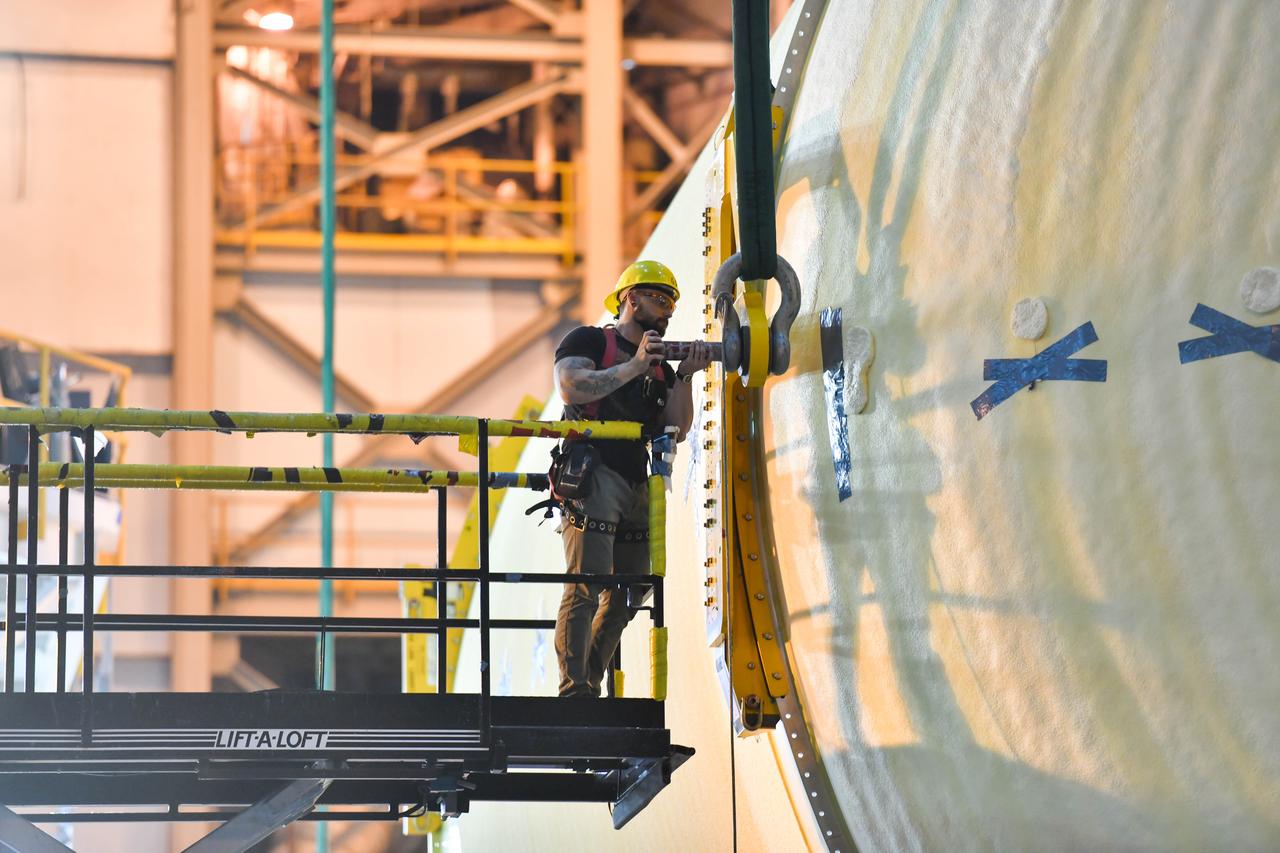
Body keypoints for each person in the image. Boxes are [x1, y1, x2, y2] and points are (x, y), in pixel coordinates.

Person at [551, 260, 713, 697]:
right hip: (592, 472)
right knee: (588, 581)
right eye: (659, 299)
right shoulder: (588, 340)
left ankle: (591, 680)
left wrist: (683, 379)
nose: (666, 312)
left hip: (635, 480)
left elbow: (673, 428)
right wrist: (635, 365)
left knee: (632, 589)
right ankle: (574, 689)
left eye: (671, 305)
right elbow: (571, 386)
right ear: (630, 298)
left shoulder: (659, 368)